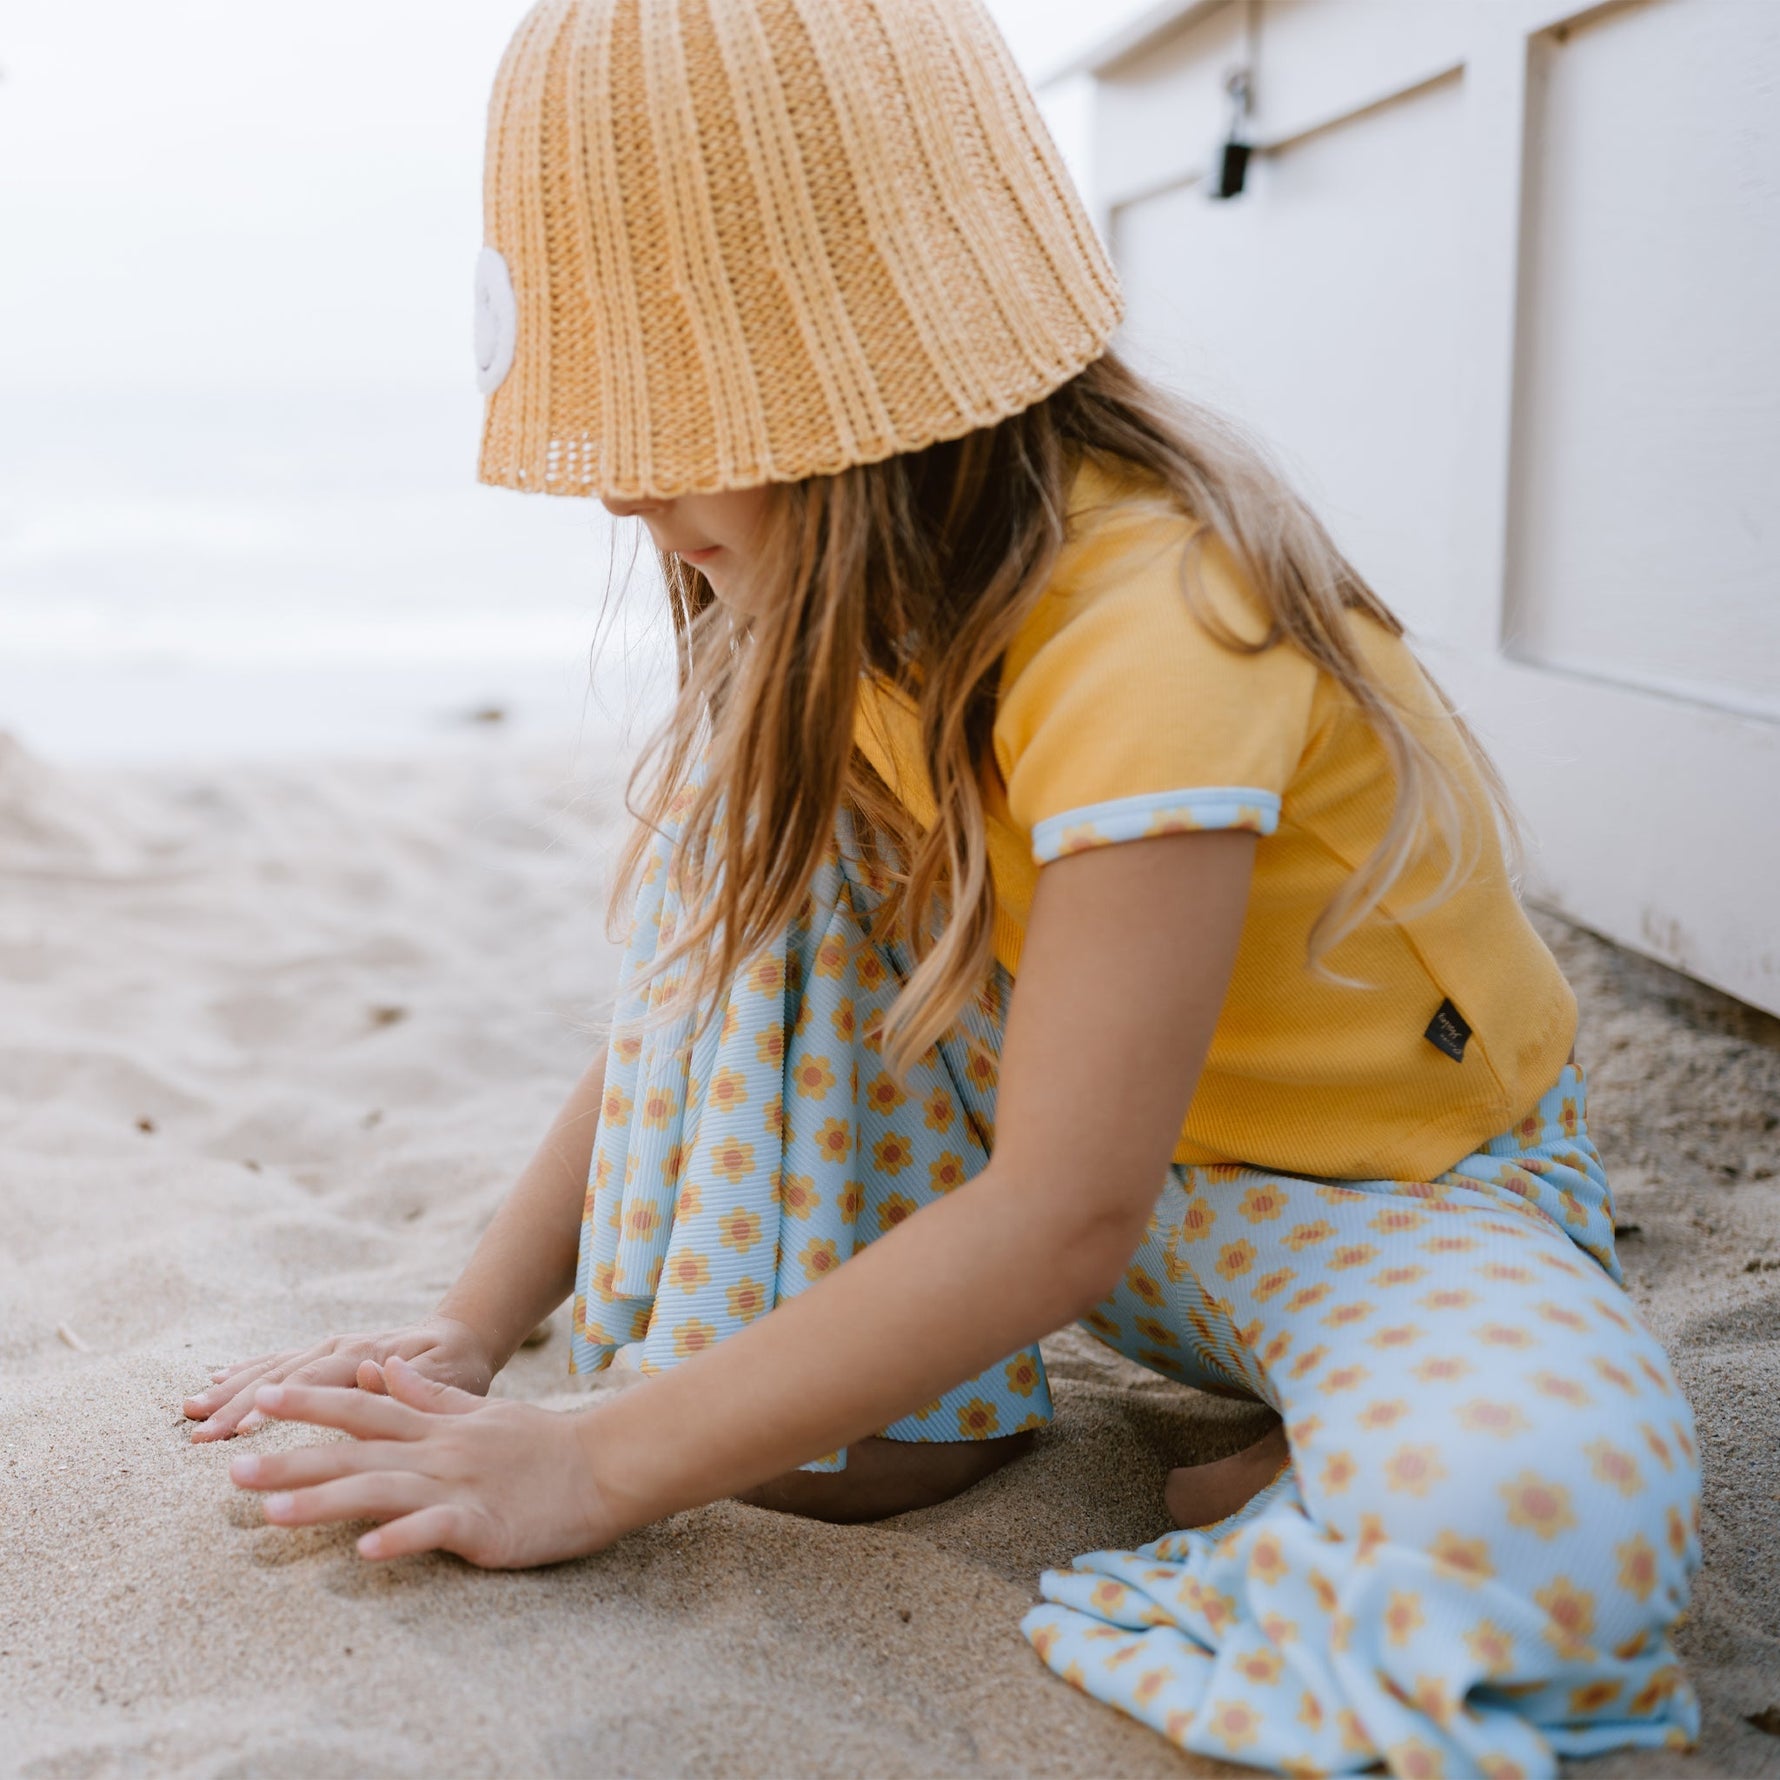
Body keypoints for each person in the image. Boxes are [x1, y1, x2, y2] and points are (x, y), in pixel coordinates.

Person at [182, 1, 1700, 1771]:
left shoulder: (1161, 619)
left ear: (850, 392)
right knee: (742, 838)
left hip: (1369, 1198)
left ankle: (1301, 1447)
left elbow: (1070, 1208)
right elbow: (699, 988)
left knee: (1546, 1546)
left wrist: (593, 1462)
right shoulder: (840, 619)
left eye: (663, 421)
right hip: (1042, 1163)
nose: (615, 496)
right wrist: (469, 1327)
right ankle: (995, 1429)